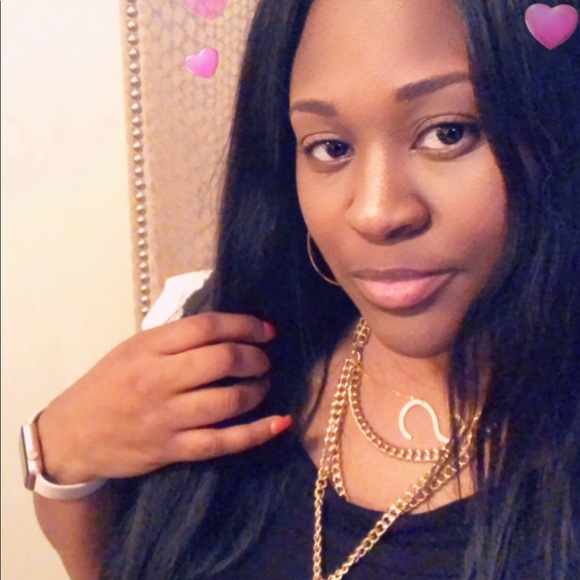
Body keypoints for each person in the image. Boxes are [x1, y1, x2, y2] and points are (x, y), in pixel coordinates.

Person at [28, 0, 579, 578]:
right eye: (330, 147)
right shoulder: (226, 355)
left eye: (448, 133)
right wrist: (62, 460)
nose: (375, 213)